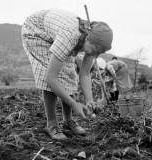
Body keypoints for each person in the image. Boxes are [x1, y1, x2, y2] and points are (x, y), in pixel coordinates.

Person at [21, 9, 113, 140]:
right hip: (36, 31)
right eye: (96, 50)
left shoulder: (90, 40)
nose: (96, 55)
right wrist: (73, 104)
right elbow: (51, 78)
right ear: (88, 38)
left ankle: (68, 121)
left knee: (69, 75)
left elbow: (85, 74)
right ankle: (51, 124)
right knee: (55, 75)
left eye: (100, 53)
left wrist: (89, 100)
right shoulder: (70, 36)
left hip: (56, 34)